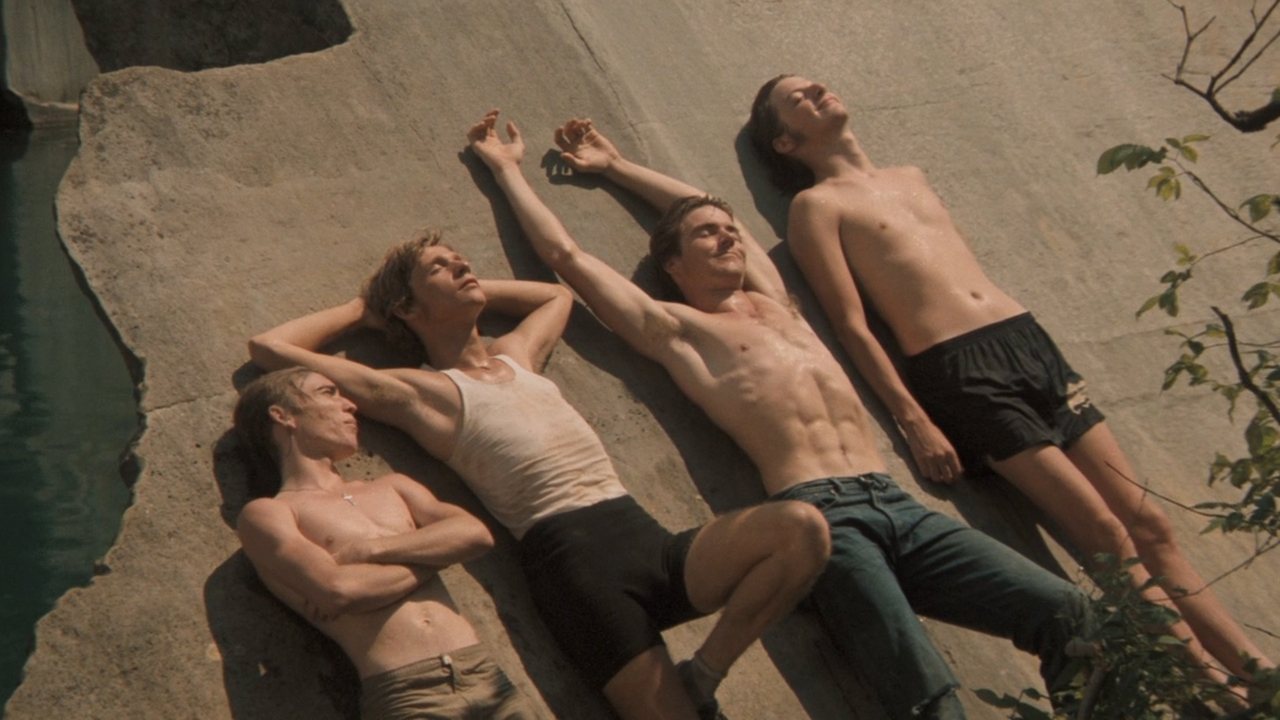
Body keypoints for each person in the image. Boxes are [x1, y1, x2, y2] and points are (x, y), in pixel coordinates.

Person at [466, 109, 1093, 719]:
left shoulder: (781, 307)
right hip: (825, 520)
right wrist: (507, 170)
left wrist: (617, 166)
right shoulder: (680, 332)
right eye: (707, 235)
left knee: (1072, 616)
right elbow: (567, 256)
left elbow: (705, 202)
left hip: (898, 504)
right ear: (674, 266)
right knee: (928, 699)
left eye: (729, 230)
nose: (728, 236)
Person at [744, 73, 1274, 686]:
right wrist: (913, 419)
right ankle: (1213, 689)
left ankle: (1259, 676)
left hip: (1026, 342)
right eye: (798, 99)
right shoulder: (816, 207)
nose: (817, 92)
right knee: (1104, 536)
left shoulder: (910, 177)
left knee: (1150, 523)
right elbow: (851, 325)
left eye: (816, 84)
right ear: (785, 142)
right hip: (960, 371)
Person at [246, 234, 830, 720]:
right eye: (440, 267)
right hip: (577, 571)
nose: (462, 264)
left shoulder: (517, 356)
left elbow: (555, 295)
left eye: (459, 258)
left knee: (801, 530)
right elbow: (271, 348)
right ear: (406, 307)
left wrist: (462, 288)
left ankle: (703, 674)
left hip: (640, 533)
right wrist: (365, 309)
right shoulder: (421, 392)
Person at [233, 367, 535, 719]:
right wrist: (439, 554)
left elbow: (475, 534)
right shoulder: (269, 513)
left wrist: (369, 551)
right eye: (328, 392)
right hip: (408, 694)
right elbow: (340, 591)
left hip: (484, 673)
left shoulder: (393, 486)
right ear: (282, 415)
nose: (349, 405)